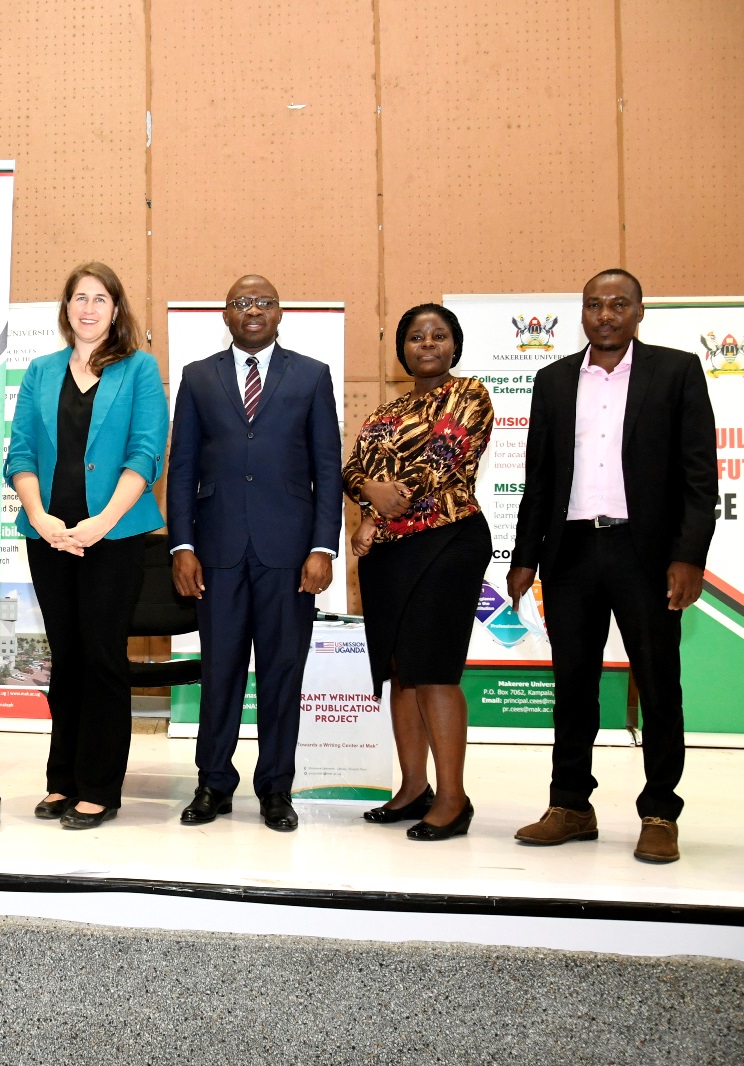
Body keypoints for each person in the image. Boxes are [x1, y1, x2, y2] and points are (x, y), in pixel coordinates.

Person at [508, 269, 716, 864]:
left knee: (657, 686)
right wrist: (525, 557)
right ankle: (571, 804)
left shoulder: (675, 372)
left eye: (618, 304)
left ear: (639, 311)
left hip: (646, 556)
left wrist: (687, 556)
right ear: (582, 314)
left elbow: (698, 479)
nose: (606, 315)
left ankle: (659, 812)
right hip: (571, 553)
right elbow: (540, 481)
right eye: (594, 305)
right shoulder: (551, 381)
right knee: (573, 687)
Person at [167, 275, 342, 832]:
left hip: (289, 553)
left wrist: (322, 546)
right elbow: (184, 467)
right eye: (241, 303)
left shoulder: (312, 375)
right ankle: (214, 782)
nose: (253, 310)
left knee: (281, 672)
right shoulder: (198, 378)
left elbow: (325, 467)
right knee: (219, 671)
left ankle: (275, 788)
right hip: (214, 550)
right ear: (225, 313)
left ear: (280, 312)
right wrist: (182, 544)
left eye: (263, 302)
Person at [4, 262, 168, 830]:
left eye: (101, 299)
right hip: (48, 535)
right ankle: (62, 781)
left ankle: (99, 787)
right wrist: (40, 516)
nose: (89, 308)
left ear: (116, 310)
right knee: (66, 660)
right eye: (79, 298)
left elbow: (146, 455)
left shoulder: (139, 370)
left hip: (113, 537)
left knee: (101, 659)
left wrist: (99, 523)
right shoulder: (40, 371)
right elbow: (20, 454)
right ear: (66, 308)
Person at [345, 305, 493, 840]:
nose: (426, 344)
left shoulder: (470, 394)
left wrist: (376, 510)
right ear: (401, 348)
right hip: (389, 555)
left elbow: (440, 466)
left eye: (438, 335)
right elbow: (352, 468)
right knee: (400, 670)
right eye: (414, 337)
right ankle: (413, 788)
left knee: (433, 669)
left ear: (454, 344)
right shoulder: (384, 413)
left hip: (447, 541)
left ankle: (453, 799)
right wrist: (368, 496)